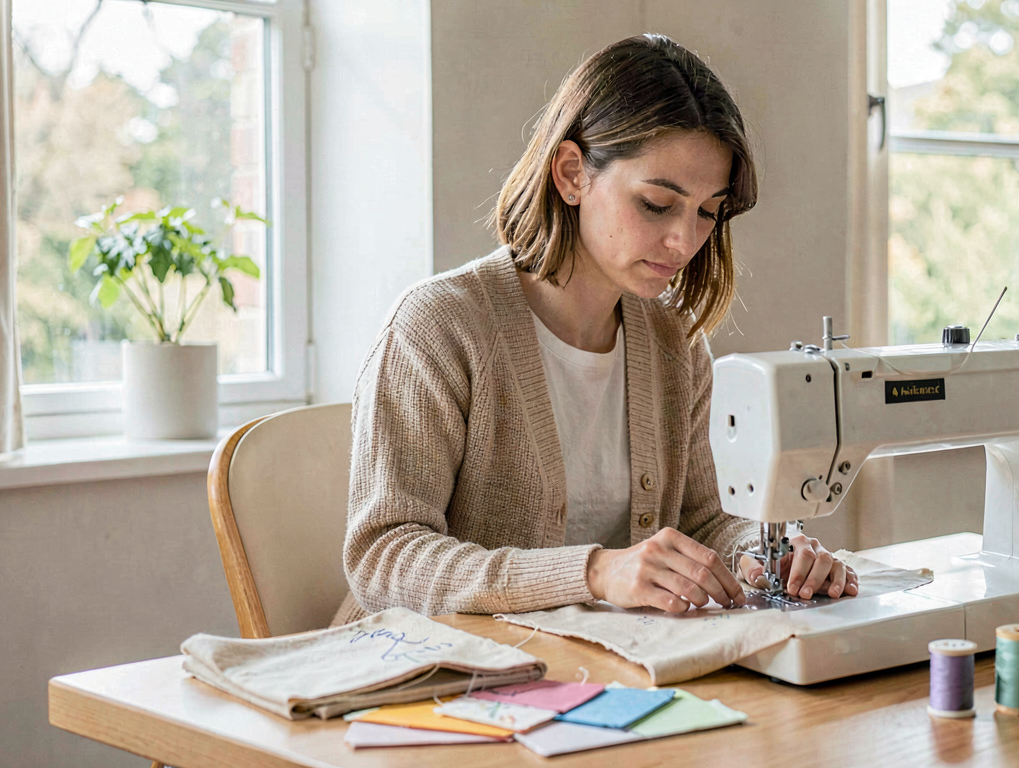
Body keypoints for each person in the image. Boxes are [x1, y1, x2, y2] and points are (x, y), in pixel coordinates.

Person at [336, 34, 858, 624]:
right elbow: (383, 558)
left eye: (708, 211)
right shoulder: (439, 326)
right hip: (436, 683)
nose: (685, 241)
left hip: (591, 673)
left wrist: (762, 555)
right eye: (658, 204)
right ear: (571, 175)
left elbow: (702, 522)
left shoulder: (675, 341)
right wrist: (594, 573)